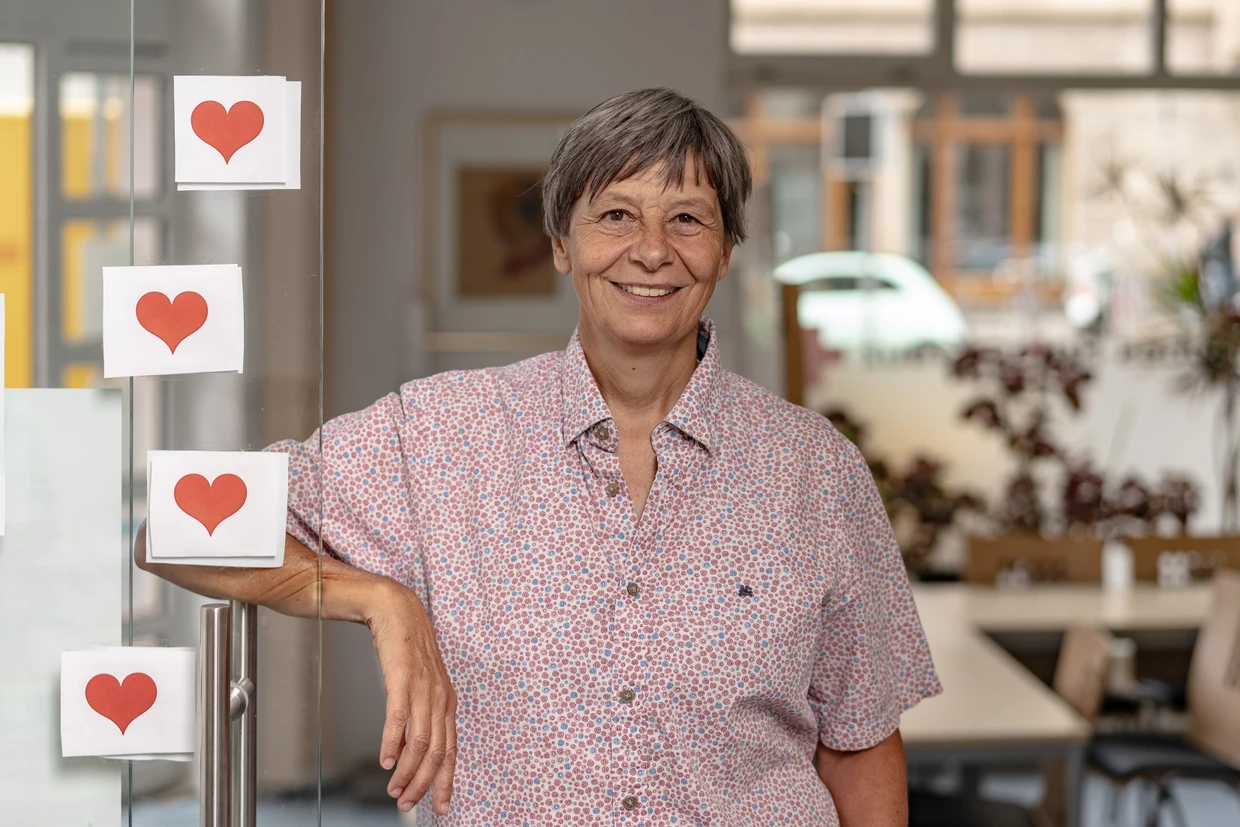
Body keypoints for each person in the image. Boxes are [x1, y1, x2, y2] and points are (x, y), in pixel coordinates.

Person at [138, 87, 941, 826]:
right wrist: (380, 598)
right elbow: (172, 528)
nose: (653, 250)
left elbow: (860, 740)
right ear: (562, 244)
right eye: (616, 216)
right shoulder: (440, 435)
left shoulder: (815, 469)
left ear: (727, 250)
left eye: (688, 219)